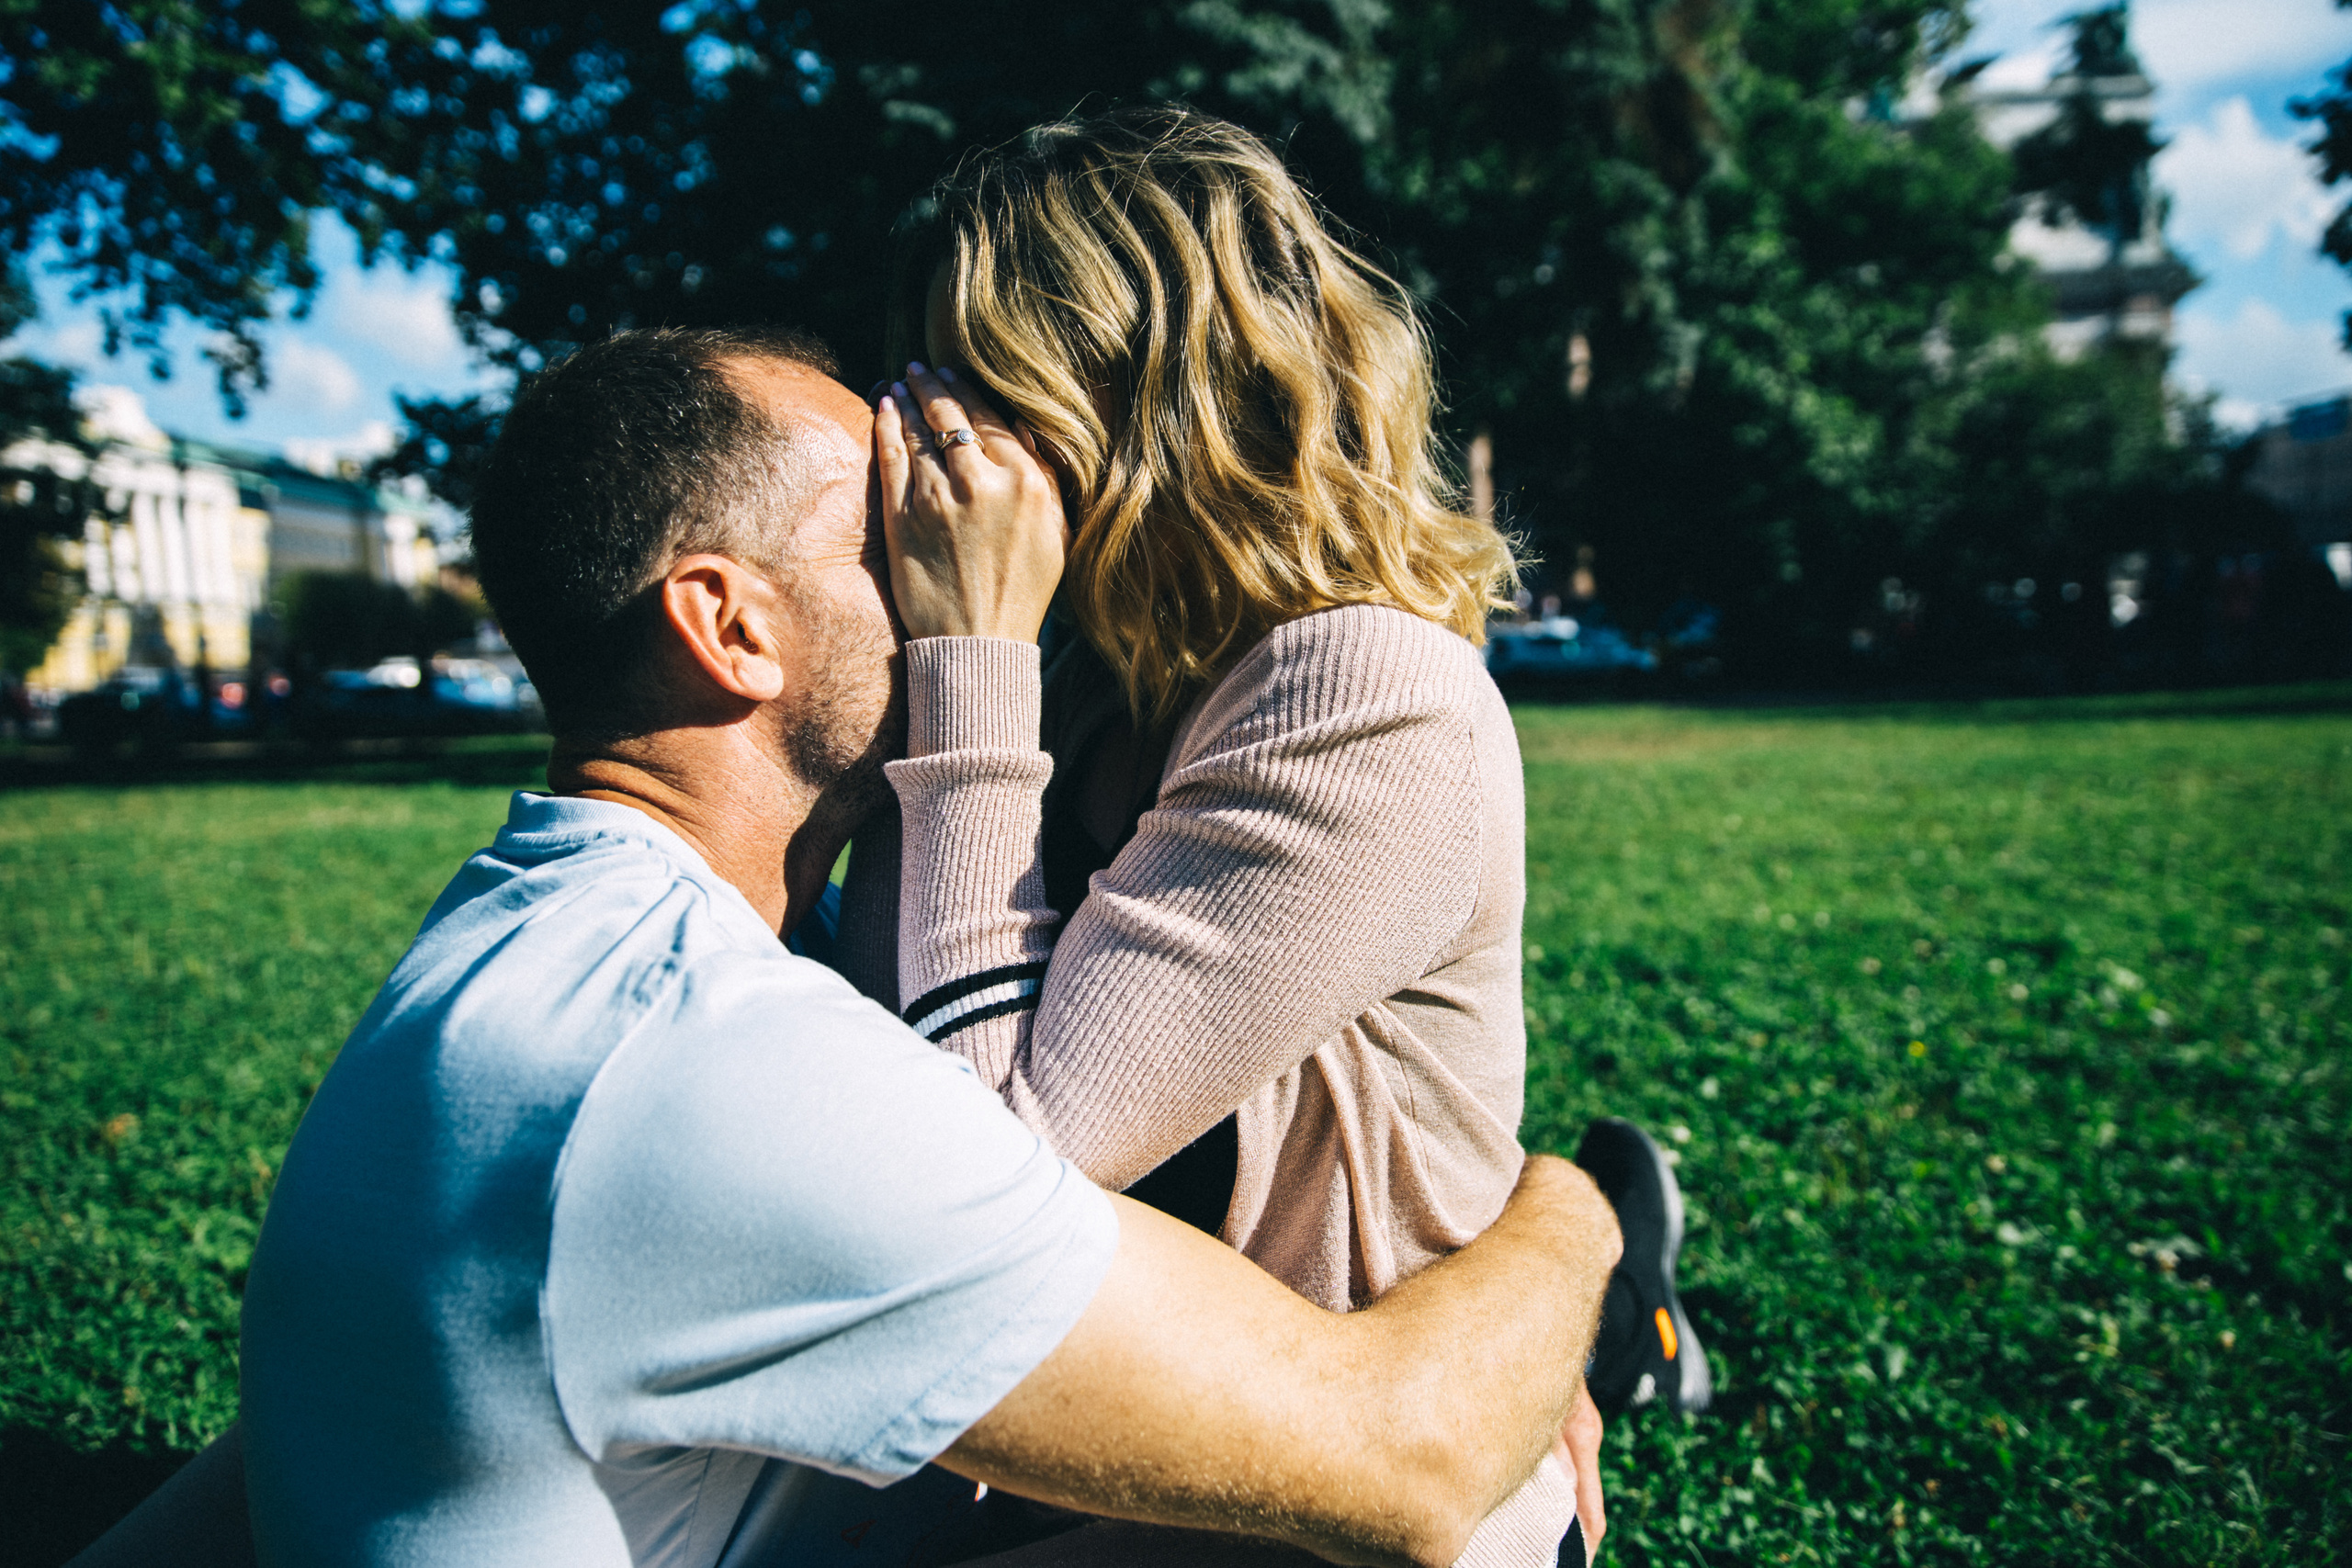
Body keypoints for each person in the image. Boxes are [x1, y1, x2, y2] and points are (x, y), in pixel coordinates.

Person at [67, 328, 1623, 1568]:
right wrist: (1577, 1214)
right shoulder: (726, 1067)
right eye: (903, 527)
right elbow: (1404, 1464)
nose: (985, 550)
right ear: (731, 627)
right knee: (1479, 1523)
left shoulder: (506, 948)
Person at [823, 107, 1706, 1566]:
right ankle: (1601, 1273)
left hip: (1337, 1520)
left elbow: (971, 1205)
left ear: (1128, 398)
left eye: (969, 388)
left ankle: (1605, 1298)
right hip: (1121, 1480)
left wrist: (966, 667)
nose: (927, 442)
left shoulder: (1370, 693)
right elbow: (868, 1076)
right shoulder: (1082, 696)